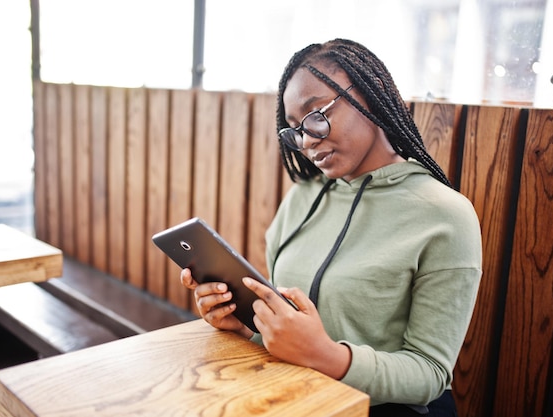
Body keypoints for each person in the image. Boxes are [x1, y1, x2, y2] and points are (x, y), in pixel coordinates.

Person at [181, 38, 482, 416]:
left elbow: (430, 373)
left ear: (371, 96)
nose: (307, 141)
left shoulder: (445, 216)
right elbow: (288, 325)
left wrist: (327, 356)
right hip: (293, 396)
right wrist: (245, 327)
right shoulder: (303, 197)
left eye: (315, 115)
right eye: (295, 129)